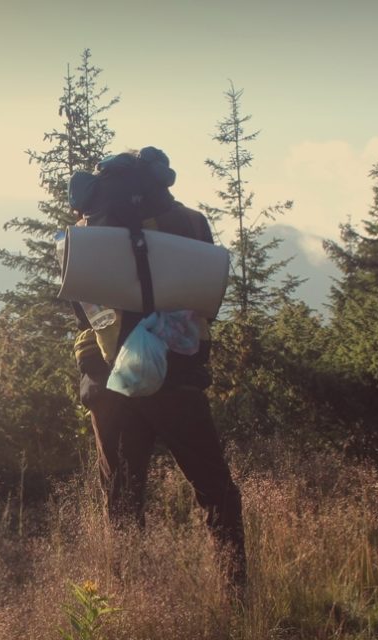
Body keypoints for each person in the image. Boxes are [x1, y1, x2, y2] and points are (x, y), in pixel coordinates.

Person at [68, 147, 246, 594]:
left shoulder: (87, 234)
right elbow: (210, 297)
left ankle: (127, 604)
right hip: (177, 376)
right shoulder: (191, 224)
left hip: (112, 383)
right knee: (215, 490)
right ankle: (239, 595)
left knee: (123, 501)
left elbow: (81, 310)